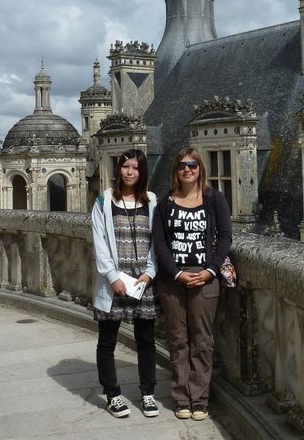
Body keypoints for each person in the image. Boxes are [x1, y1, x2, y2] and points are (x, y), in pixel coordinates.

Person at [153, 147, 233, 421]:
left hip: (204, 277)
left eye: (192, 165)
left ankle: (199, 400)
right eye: (182, 166)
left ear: (200, 168)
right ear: (175, 171)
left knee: (202, 340)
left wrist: (210, 270)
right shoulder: (165, 203)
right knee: (178, 339)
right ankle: (181, 398)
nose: (187, 169)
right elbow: (160, 243)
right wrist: (176, 273)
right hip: (173, 279)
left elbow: (225, 237)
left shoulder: (214, 199)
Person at [91, 149, 160, 418]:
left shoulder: (151, 201)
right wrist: (113, 277)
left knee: (146, 340)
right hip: (114, 284)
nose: (130, 172)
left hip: (143, 282)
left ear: (142, 172)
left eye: (136, 168)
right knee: (107, 341)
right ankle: (113, 395)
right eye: (125, 167)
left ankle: (148, 393)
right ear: (118, 170)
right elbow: (99, 243)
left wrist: (149, 274)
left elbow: (157, 243)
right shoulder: (103, 202)